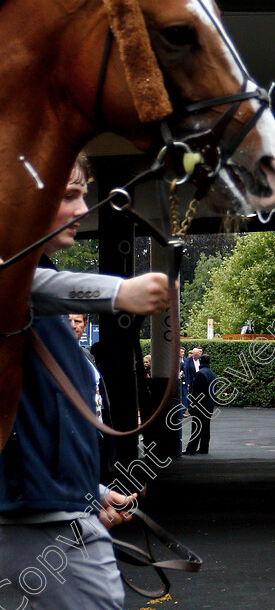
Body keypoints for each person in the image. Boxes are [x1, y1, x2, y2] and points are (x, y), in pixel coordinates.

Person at [0, 155, 172, 609]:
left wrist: (90, 491)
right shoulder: (14, 285)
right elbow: (16, 281)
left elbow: (40, 420)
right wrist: (117, 291)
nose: (82, 210)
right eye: (70, 196)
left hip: (50, 510)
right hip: (36, 520)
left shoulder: (40, 293)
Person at [184, 354, 217, 455]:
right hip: (209, 405)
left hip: (199, 406)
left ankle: (191, 449)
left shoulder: (199, 374)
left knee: (196, 427)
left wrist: (191, 405)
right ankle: (204, 447)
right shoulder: (212, 374)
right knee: (206, 428)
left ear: (200, 361)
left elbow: (196, 391)